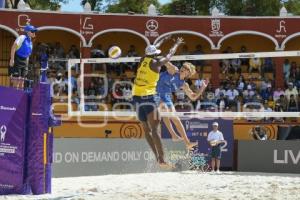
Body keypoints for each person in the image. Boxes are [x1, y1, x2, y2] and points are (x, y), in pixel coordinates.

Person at [132, 36, 184, 169]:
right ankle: (162, 159)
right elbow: (169, 55)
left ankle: (158, 158)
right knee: (155, 129)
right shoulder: (156, 63)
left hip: (136, 96)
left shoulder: (143, 59)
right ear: (155, 54)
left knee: (146, 130)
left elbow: (154, 46)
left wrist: (164, 39)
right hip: (148, 97)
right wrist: (176, 44)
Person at [156, 61, 208, 149]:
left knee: (175, 118)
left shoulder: (184, 84)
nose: (183, 68)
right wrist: (156, 57)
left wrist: (202, 88)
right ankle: (174, 135)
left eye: (186, 68)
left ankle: (185, 141)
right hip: (155, 92)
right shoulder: (174, 70)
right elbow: (165, 61)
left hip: (166, 96)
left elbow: (193, 97)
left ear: (189, 73)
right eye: (183, 67)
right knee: (165, 111)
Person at [9, 24, 38, 89]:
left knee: (22, 82)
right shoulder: (22, 37)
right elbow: (13, 47)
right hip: (17, 59)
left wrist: (26, 64)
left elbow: (28, 54)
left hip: (25, 61)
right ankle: (14, 97)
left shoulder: (30, 41)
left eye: (34, 31)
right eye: (32, 31)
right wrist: (12, 59)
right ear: (27, 32)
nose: (34, 33)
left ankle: (20, 98)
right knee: (16, 81)